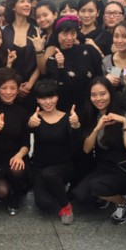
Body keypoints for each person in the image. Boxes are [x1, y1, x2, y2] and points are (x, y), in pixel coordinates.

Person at [73, 77, 126, 224]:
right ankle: (107, 194)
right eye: (94, 95)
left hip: (123, 168)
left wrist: (125, 123)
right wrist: (97, 128)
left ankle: (123, 202)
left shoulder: (125, 114)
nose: (98, 99)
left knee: (97, 187)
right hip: (103, 167)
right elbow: (87, 149)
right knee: (80, 195)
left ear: (111, 94)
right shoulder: (91, 114)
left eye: (103, 94)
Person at [28, 79, 80, 224]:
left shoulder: (68, 117)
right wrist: (29, 125)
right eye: (43, 98)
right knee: (45, 204)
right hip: (40, 166)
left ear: (57, 97)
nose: (48, 101)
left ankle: (66, 206)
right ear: (38, 100)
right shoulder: (35, 118)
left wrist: (76, 126)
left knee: (49, 174)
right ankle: (55, 187)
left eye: (51, 97)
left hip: (63, 166)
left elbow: (76, 145)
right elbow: (23, 137)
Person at [0, 67, 30, 215]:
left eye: (12, 88)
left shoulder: (22, 112)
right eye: (4, 88)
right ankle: (12, 188)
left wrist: (19, 155)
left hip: (16, 159)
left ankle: (17, 194)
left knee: (16, 168)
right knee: (2, 192)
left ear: (17, 91)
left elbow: (26, 143)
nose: (8, 92)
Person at [46, 15, 103, 112]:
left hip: (94, 104)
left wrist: (114, 75)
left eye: (73, 33)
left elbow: (107, 65)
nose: (69, 38)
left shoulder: (88, 50)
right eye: (64, 34)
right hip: (67, 108)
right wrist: (61, 66)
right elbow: (63, 88)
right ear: (57, 34)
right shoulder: (52, 59)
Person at [3, 0, 40, 110]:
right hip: (7, 90)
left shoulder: (37, 31)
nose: (27, 4)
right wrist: (15, 87)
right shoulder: (3, 32)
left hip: (32, 89)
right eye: (22, 1)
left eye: (29, 2)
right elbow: (0, 62)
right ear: (13, 6)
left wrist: (29, 85)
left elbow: (41, 62)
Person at [102, 21, 126, 105]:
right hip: (112, 109)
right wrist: (105, 82)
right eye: (116, 36)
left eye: (124, 37)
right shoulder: (107, 61)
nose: (119, 41)